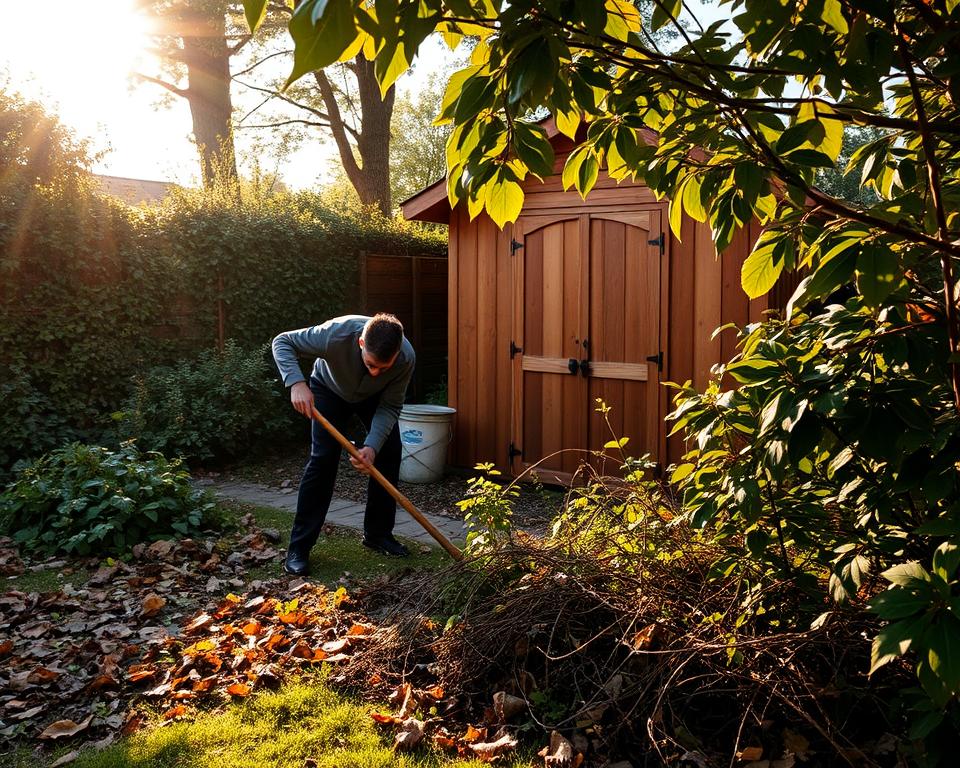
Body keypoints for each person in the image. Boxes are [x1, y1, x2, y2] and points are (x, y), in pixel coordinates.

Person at [272, 313, 415, 575]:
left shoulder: (405, 357)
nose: (375, 372)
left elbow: (390, 406)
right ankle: (299, 548)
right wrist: (296, 383)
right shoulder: (335, 334)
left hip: (374, 398)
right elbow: (283, 341)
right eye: (371, 364)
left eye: (383, 368)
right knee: (323, 460)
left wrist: (371, 446)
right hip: (329, 389)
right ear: (361, 343)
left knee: (389, 451)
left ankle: (378, 535)